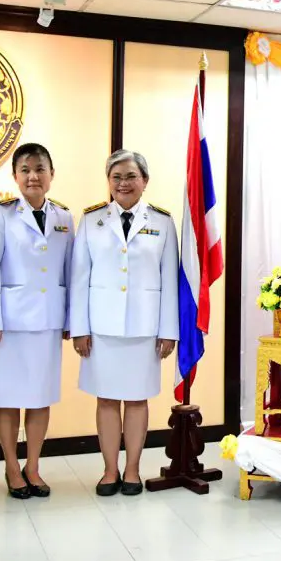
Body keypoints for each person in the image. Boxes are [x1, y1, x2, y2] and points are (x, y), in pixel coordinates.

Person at [70, 150, 178, 497]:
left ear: (144, 181)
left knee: (136, 400)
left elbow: (169, 279)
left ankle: (132, 470)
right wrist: (80, 327)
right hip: (101, 329)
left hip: (144, 329)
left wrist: (168, 330)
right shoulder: (91, 220)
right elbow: (79, 277)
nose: (123, 183)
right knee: (105, 400)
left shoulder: (162, 221)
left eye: (131, 176)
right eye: (116, 177)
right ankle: (109, 470)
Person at [0, 143, 73, 499]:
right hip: (9, 324)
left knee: (39, 397)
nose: (33, 176)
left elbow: (70, 273)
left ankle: (33, 466)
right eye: (25, 169)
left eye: (40, 168)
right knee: (7, 398)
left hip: (48, 321)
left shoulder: (64, 217)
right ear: (15, 176)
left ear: (51, 173)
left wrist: (70, 319)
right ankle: (11, 467)